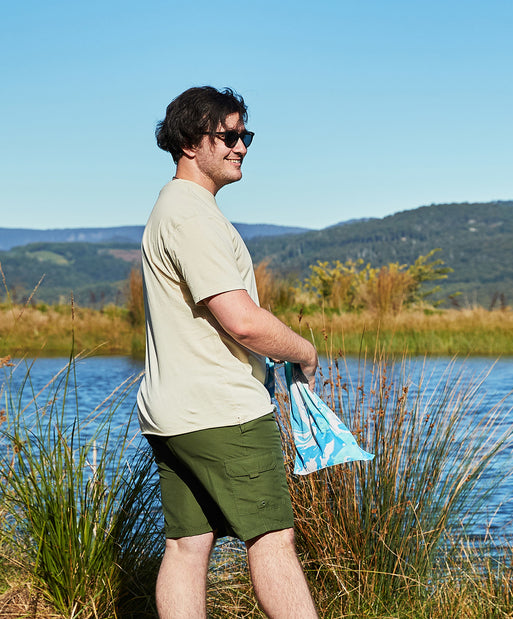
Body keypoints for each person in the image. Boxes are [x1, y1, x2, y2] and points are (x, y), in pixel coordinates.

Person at [137, 86, 319, 619]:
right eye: (230, 135)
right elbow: (241, 320)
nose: (241, 146)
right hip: (223, 412)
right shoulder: (191, 214)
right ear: (191, 142)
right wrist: (304, 351)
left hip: (172, 414)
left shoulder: (172, 208)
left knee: (187, 545)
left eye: (247, 136)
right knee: (273, 541)